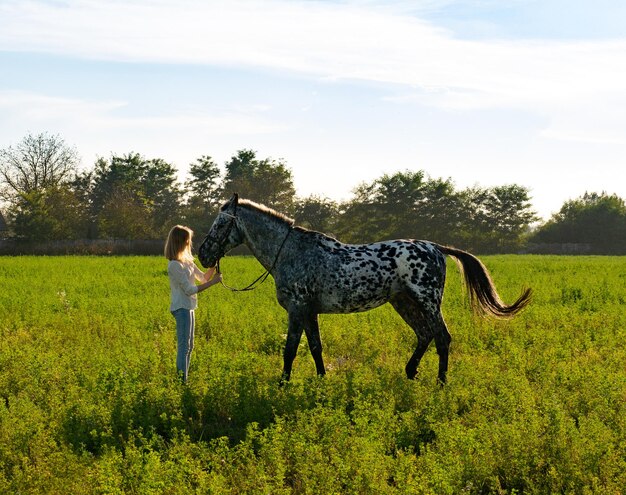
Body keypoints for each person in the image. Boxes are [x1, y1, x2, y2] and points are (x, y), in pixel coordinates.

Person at [164, 225, 221, 383]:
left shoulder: (187, 261)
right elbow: (189, 290)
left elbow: (203, 278)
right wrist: (214, 283)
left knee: (190, 346)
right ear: (180, 242)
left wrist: (214, 266)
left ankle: (184, 379)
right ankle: (182, 382)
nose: (190, 242)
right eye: (187, 240)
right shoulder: (174, 265)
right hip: (181, 308)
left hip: (189, 307)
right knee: (184, 347)